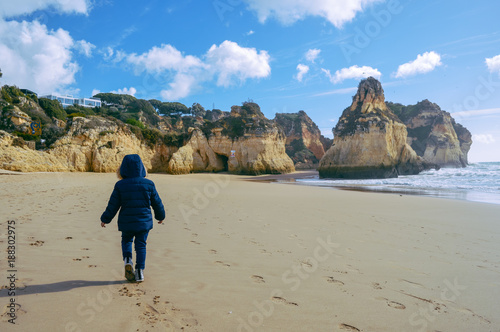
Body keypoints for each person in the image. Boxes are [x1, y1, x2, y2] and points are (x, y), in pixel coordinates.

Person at [100, 154, 165, 282]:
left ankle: (128, 259)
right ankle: (140, 271)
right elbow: (157, 202)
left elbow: (113, 205)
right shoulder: (149, 184)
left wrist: (105, 219)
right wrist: (160, 216)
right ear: (141, 168)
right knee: (141, 245)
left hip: (127, 222)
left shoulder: (120, 185)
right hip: (143, 222)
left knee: (127, 241)